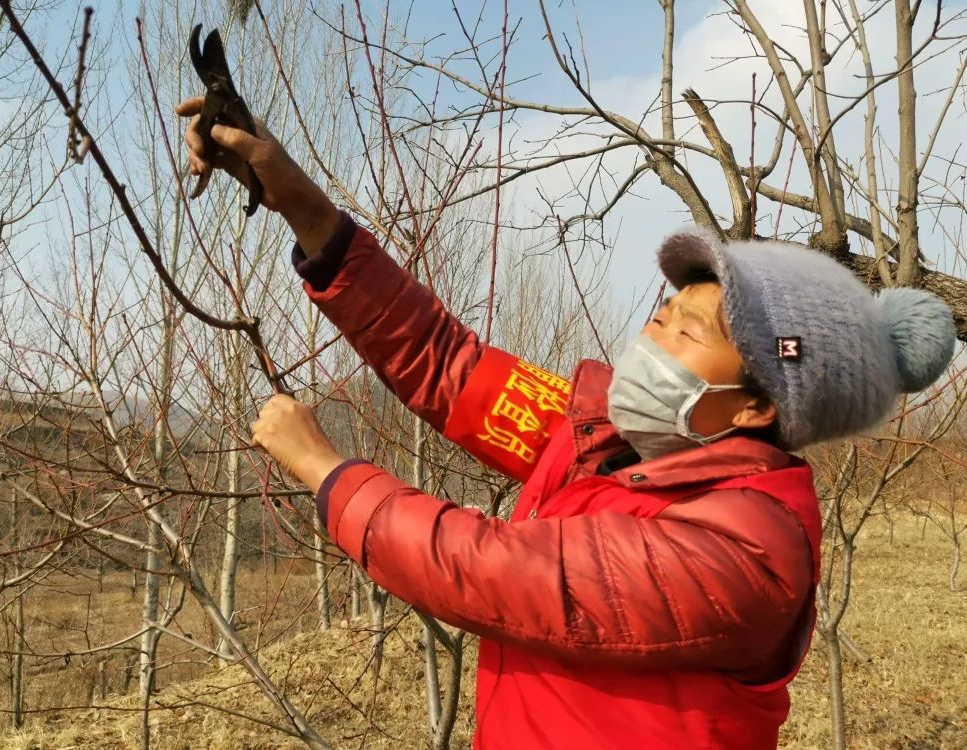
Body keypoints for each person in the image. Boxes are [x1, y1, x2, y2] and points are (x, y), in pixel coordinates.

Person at [177, 97, 956, 750]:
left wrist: (327, 471)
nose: (651, 340)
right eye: (662, 313)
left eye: (688, 333)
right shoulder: (604, 441)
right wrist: (299, 202)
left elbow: (494, 572)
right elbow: (445, 364)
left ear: (757, 407)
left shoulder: (748, 553)